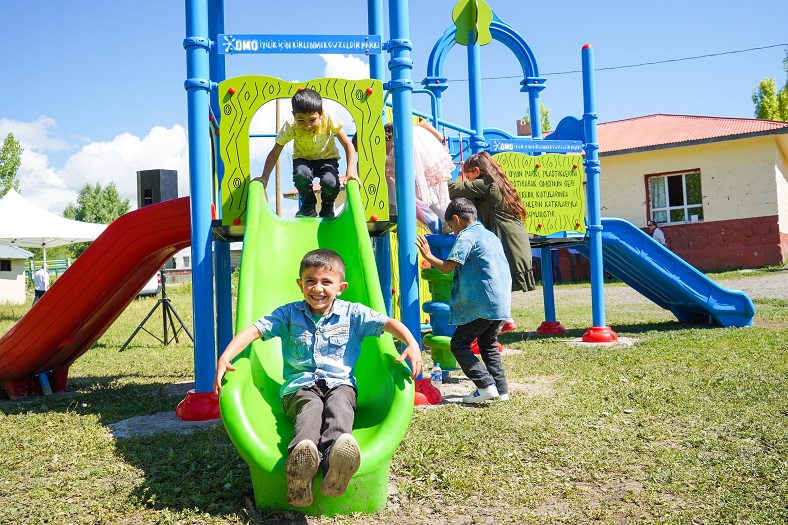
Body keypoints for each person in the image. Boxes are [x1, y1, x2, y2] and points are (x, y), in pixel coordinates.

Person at [213, 249, 421, 507]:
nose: (317, 288)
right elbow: (255, 330)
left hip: (340, 384)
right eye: (310, 281)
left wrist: (411, 342)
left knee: (340, 405)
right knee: (311, 408)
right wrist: (225, 357)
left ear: (341, 287)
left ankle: (336, 459)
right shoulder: (289, 314)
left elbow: (387, 323)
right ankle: (302, 461)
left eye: (326, 282)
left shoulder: (352, 314)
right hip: (300, 387)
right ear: (300, 285)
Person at [416, 198, 511, 404]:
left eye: (451, 226)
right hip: (500, 301)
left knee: (459, 344)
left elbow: (447, 268)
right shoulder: (490, 235)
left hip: (482, 304)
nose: (453, 231)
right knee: (488, 344)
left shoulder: (467, 236)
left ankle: (486, 386)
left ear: (457, 219)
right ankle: (502, 390)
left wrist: (428, 255)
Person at [448, 150, 537, 332]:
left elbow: (453, 189)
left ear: (477, 171)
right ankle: (502, 321)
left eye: (468, 174)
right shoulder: (496, 183)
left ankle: (498, 324)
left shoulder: (485, 184)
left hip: (506, 238)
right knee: (499, 279)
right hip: (514, 236)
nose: (467, 179)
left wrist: (441, 172)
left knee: (496, 278)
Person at [255, 88, 356, 218]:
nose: (307, 125)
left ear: (321, 114)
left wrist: (350, 172)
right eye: (301, 120)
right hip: (303, 159)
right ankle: (308, 206)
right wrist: (265, 177)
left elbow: (348, 145)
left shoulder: (329, 118)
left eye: (312, 120)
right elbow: (274, 152)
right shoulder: (291, 126)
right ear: (294, 116)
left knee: (330, 183)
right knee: (301, 175)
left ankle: (327, 206)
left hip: (327, 159)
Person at [384, 120, 454, 232]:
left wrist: (439, 142)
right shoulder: (408, 132)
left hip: (417, 152)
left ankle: (446, 218)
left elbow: (435, 133)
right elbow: (439, 136)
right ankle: (446, 218)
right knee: (423, 189)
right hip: (420, 153)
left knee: (420, 188)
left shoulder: (409, 130)